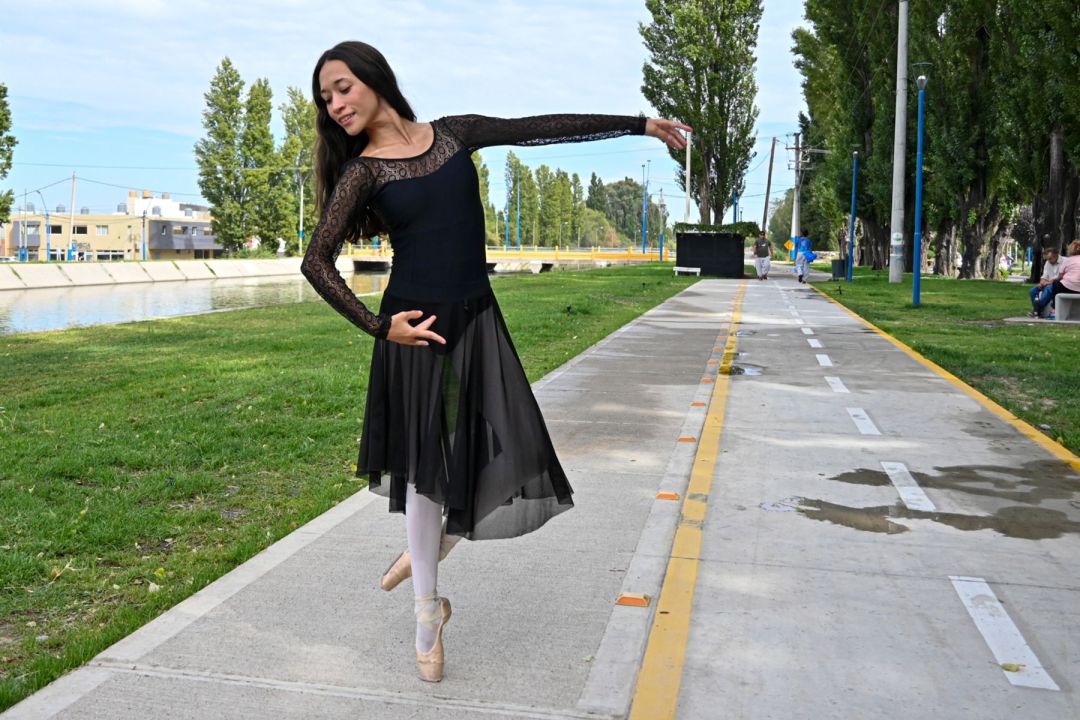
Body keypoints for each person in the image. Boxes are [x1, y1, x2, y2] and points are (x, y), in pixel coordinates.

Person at [300, 41, 690, 683]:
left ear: (374, 78)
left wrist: (638, 124)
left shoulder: (454, 134)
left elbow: (539, 128)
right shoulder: (362, 173)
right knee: (425, 475)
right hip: (415, 331)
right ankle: (427, 614)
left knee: (514, 452)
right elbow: (316, 261)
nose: (336, 105)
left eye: (342, 88)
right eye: (326, 99)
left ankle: (425, 553)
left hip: (477, 320)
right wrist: (380, 327)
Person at [1045, 240, 1080, 318]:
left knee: (1056, 283)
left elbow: (1060, 276)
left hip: (1068, 287)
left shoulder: (1068, 260)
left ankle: (1054, 308)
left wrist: (1052, 281)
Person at [1028, 246, 1060, 317]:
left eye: (1050, 259)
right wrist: (1042, 282)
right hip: (1047, 283)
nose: (1048, 261)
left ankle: (1037, 310)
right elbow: (1044, 276)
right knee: (1032, 291)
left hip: (1057, 284)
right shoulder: (1048, 263)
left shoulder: (1064, 262)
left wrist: (1048, 282)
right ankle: (1038, 310)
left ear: (1056, 256)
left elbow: (1060, 277)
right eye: (1047, 259)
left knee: (1048, 288)